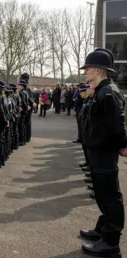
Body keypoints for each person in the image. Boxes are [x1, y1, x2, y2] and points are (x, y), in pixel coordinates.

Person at [79, 48, 126, 257]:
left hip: (105, 152)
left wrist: (123, 144)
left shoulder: (109, 93)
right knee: (102, 193)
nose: (85, 71)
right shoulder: (100, 91)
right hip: (98, 151)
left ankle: (110, 242)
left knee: (110, 196)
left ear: (99, 69)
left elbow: (117, 125)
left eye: (88, 68)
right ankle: (103, 229)